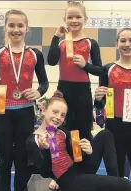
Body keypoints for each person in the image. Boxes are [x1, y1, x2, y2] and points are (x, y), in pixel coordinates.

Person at [75, 27, 131, 189]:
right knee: (116, 179)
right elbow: (102, 107)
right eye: (123, 40)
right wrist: (98, 99)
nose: (127, 44)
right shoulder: (108, 70)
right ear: (117, 44)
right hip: (114, 129)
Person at [26, 91, 131, 191]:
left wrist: (87, 151)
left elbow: (74, 157)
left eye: (62, 115)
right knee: (123, 184)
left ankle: (114, 181)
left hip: (79, 169)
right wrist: (45, 150)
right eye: (55, 112)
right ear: (43, 110)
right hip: (70, 181)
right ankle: (117, 187)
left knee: (105, 134)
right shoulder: (33, 141)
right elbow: (44, 172)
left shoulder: (61, 132)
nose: (58, 117)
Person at [0, 9, 49, 191]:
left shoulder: (35, 54)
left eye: (20, 25)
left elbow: (44, 82)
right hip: (2, 112)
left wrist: (39, 91)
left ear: (27, 28)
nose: (16, 29)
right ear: (5, 27)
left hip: (25, 112)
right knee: (4, 160)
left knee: (22, 159)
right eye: (11, 25)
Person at [47, 1, 102, 141]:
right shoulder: (61, 42)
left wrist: (85, 65)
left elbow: (100, 70)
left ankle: (81, 161)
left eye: (78, 17)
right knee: (60, 128)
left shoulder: (91, 43)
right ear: (65, 20)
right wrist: (55, 37)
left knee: (82, 130)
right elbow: (51, 61)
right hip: (63, 90)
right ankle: (60, 161)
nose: (74, 20)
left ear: (85, 19)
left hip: (82, 92)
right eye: (70, 17)